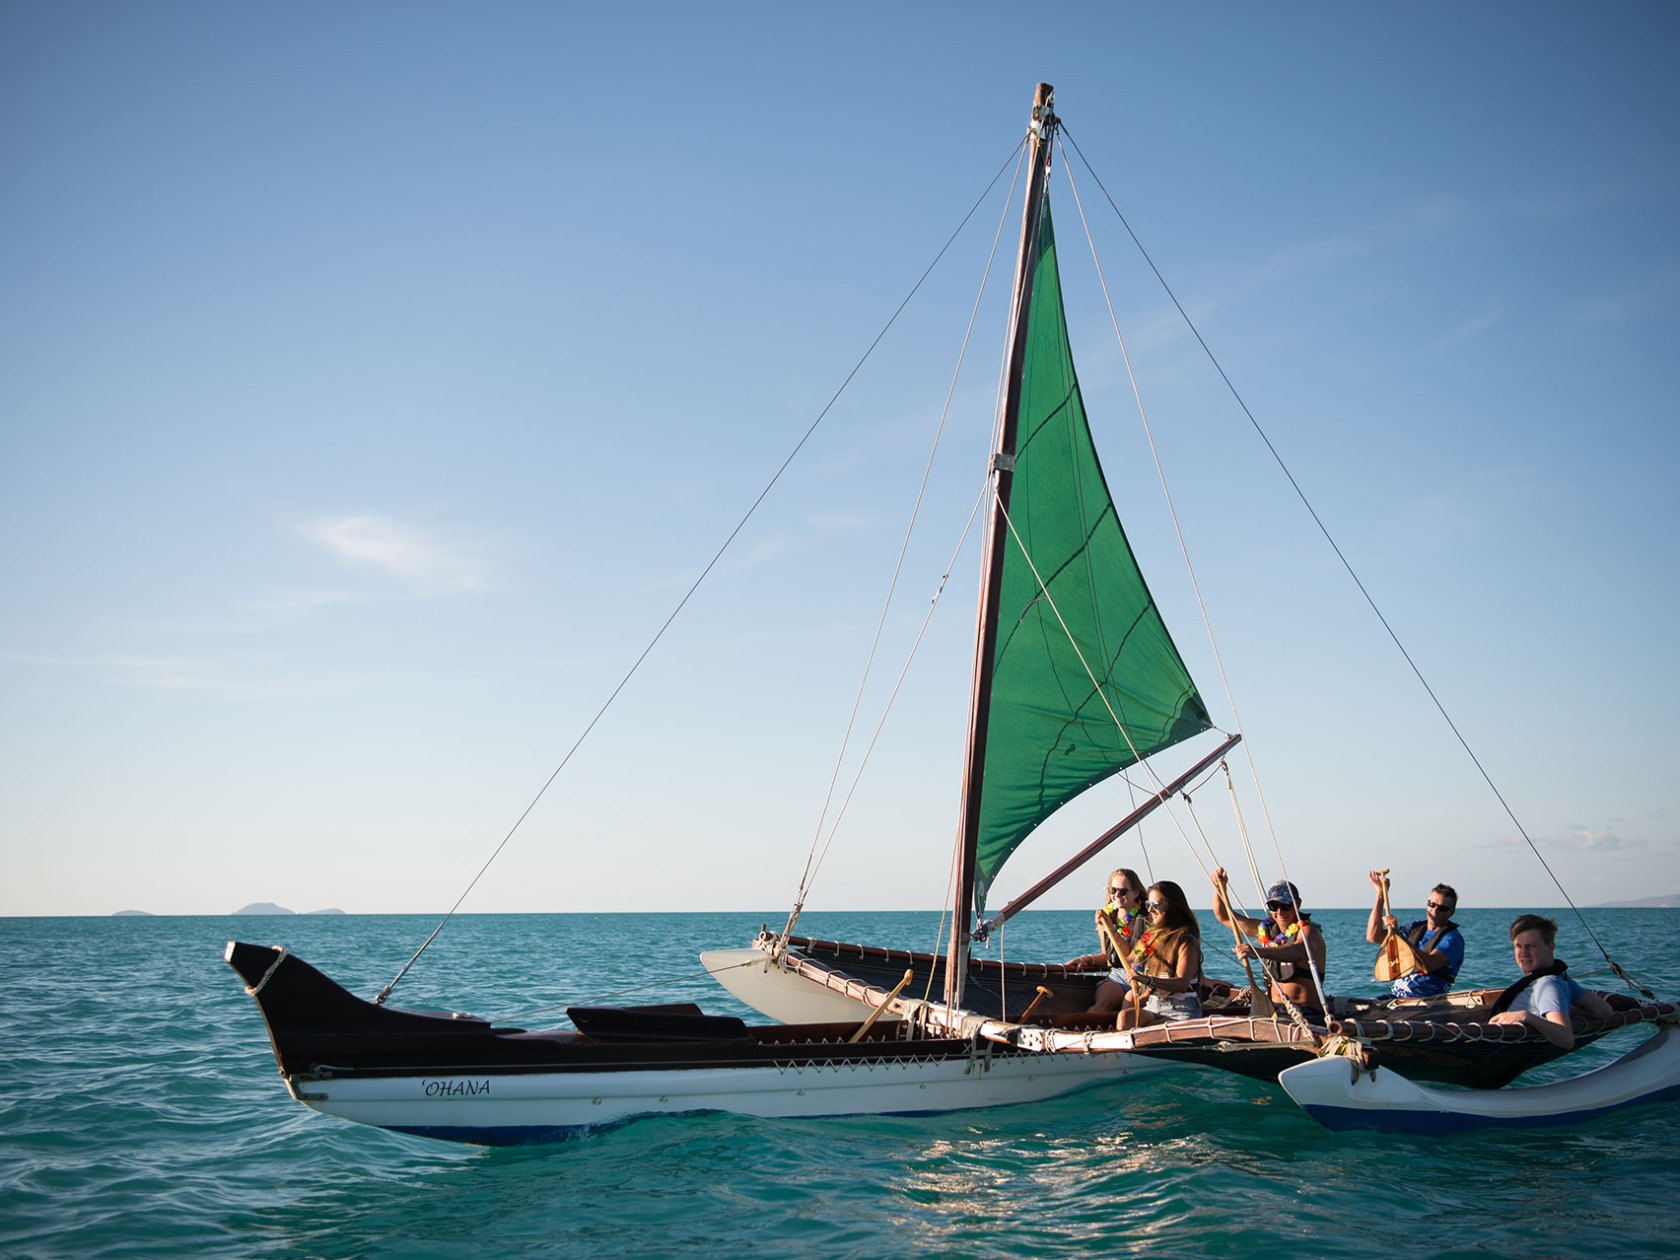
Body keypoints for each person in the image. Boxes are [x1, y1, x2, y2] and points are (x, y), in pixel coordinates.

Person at [1210, 868, 1328, 1019]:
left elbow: (1298, 951)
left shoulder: (1309, 932)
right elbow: (1225, 917)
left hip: (1307, 1012)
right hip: (1273, 1010)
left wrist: (1257, 952)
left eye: (1286, 905)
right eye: (1274, 906)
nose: (1280, 911)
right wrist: (1219, 888)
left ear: (1297, 904)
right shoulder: (1265, 931)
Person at [1487, 914, 1614, 1049]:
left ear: (1550, 947)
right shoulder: (1560, 977)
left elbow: (1566, 1039)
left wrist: (1526, 1016)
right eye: (1519, 946)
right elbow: (1604, 1010)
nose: (1524, 954)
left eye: (1531, 947)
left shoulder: (1547, 985)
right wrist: (1561, 1010)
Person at [1117, 881, 1203, 1029]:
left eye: (1156, 904)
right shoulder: (1150, 937)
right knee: (1126, 1017)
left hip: (1180, 1009)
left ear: (1172, 906)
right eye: (1148, 904)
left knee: (1151, 1027)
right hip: (1154, 1005)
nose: (1150, 910)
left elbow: (1182, 983)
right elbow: (1130, 959)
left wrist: (1148, 980)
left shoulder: (1186, 940)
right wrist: (1110, 928)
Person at [1365, 872, 1464, 999]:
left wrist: (1398, 937)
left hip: (1428, 1001)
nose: (1434, 911)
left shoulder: (1452, 939)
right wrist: (1380, 895)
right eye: (1431, 904)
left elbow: (1427, 966)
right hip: (1398, 998)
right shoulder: (1414, 928)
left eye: (1442, 908)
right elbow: (1374, 936)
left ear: (1451, 912)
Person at [1066, 868, 1147, 1014]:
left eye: (1123, 891)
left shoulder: (1146, 919)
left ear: (1135, 893)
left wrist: (1111, 928)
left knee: (1129, 1005)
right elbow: (1107, 956)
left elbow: (1131, 957)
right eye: (1113, 890)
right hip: (1119, 975)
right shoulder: (1107, 917)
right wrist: (1086, 959)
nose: (1117, 895)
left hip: (1144, 976)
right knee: (1103, 1004)